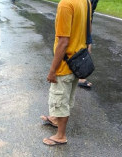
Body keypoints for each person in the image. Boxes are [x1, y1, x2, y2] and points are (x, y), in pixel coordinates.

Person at [41, 0, 92, 146]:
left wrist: (52, 71)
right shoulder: (85, 1)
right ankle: (56, 119)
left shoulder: (65, 4)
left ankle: (60, 135)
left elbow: (63, 42)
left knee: (60, 99)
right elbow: (89, 30)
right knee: (68, 96)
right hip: (77, 61)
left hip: (66, 63)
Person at [78, 0, 99, 88]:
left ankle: (79, 76)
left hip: (86, 18)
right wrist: (88, 39)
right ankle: (81, 78)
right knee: (83, 48)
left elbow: (90, 15)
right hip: (83, 19)